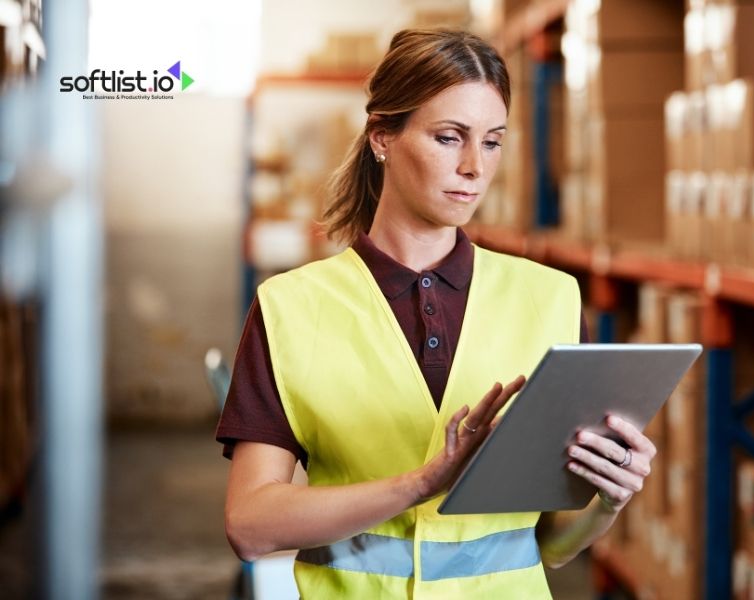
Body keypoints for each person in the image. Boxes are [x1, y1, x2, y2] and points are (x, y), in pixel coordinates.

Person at [216, 28, 657, 599]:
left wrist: (608, 502)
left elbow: (548, 543)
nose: (475, 166)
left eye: (493, 142)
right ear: (382, 138)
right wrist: (419, 484)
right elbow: (249, 526)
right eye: (450, 138)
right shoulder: (291, 309)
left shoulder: (551, 300)